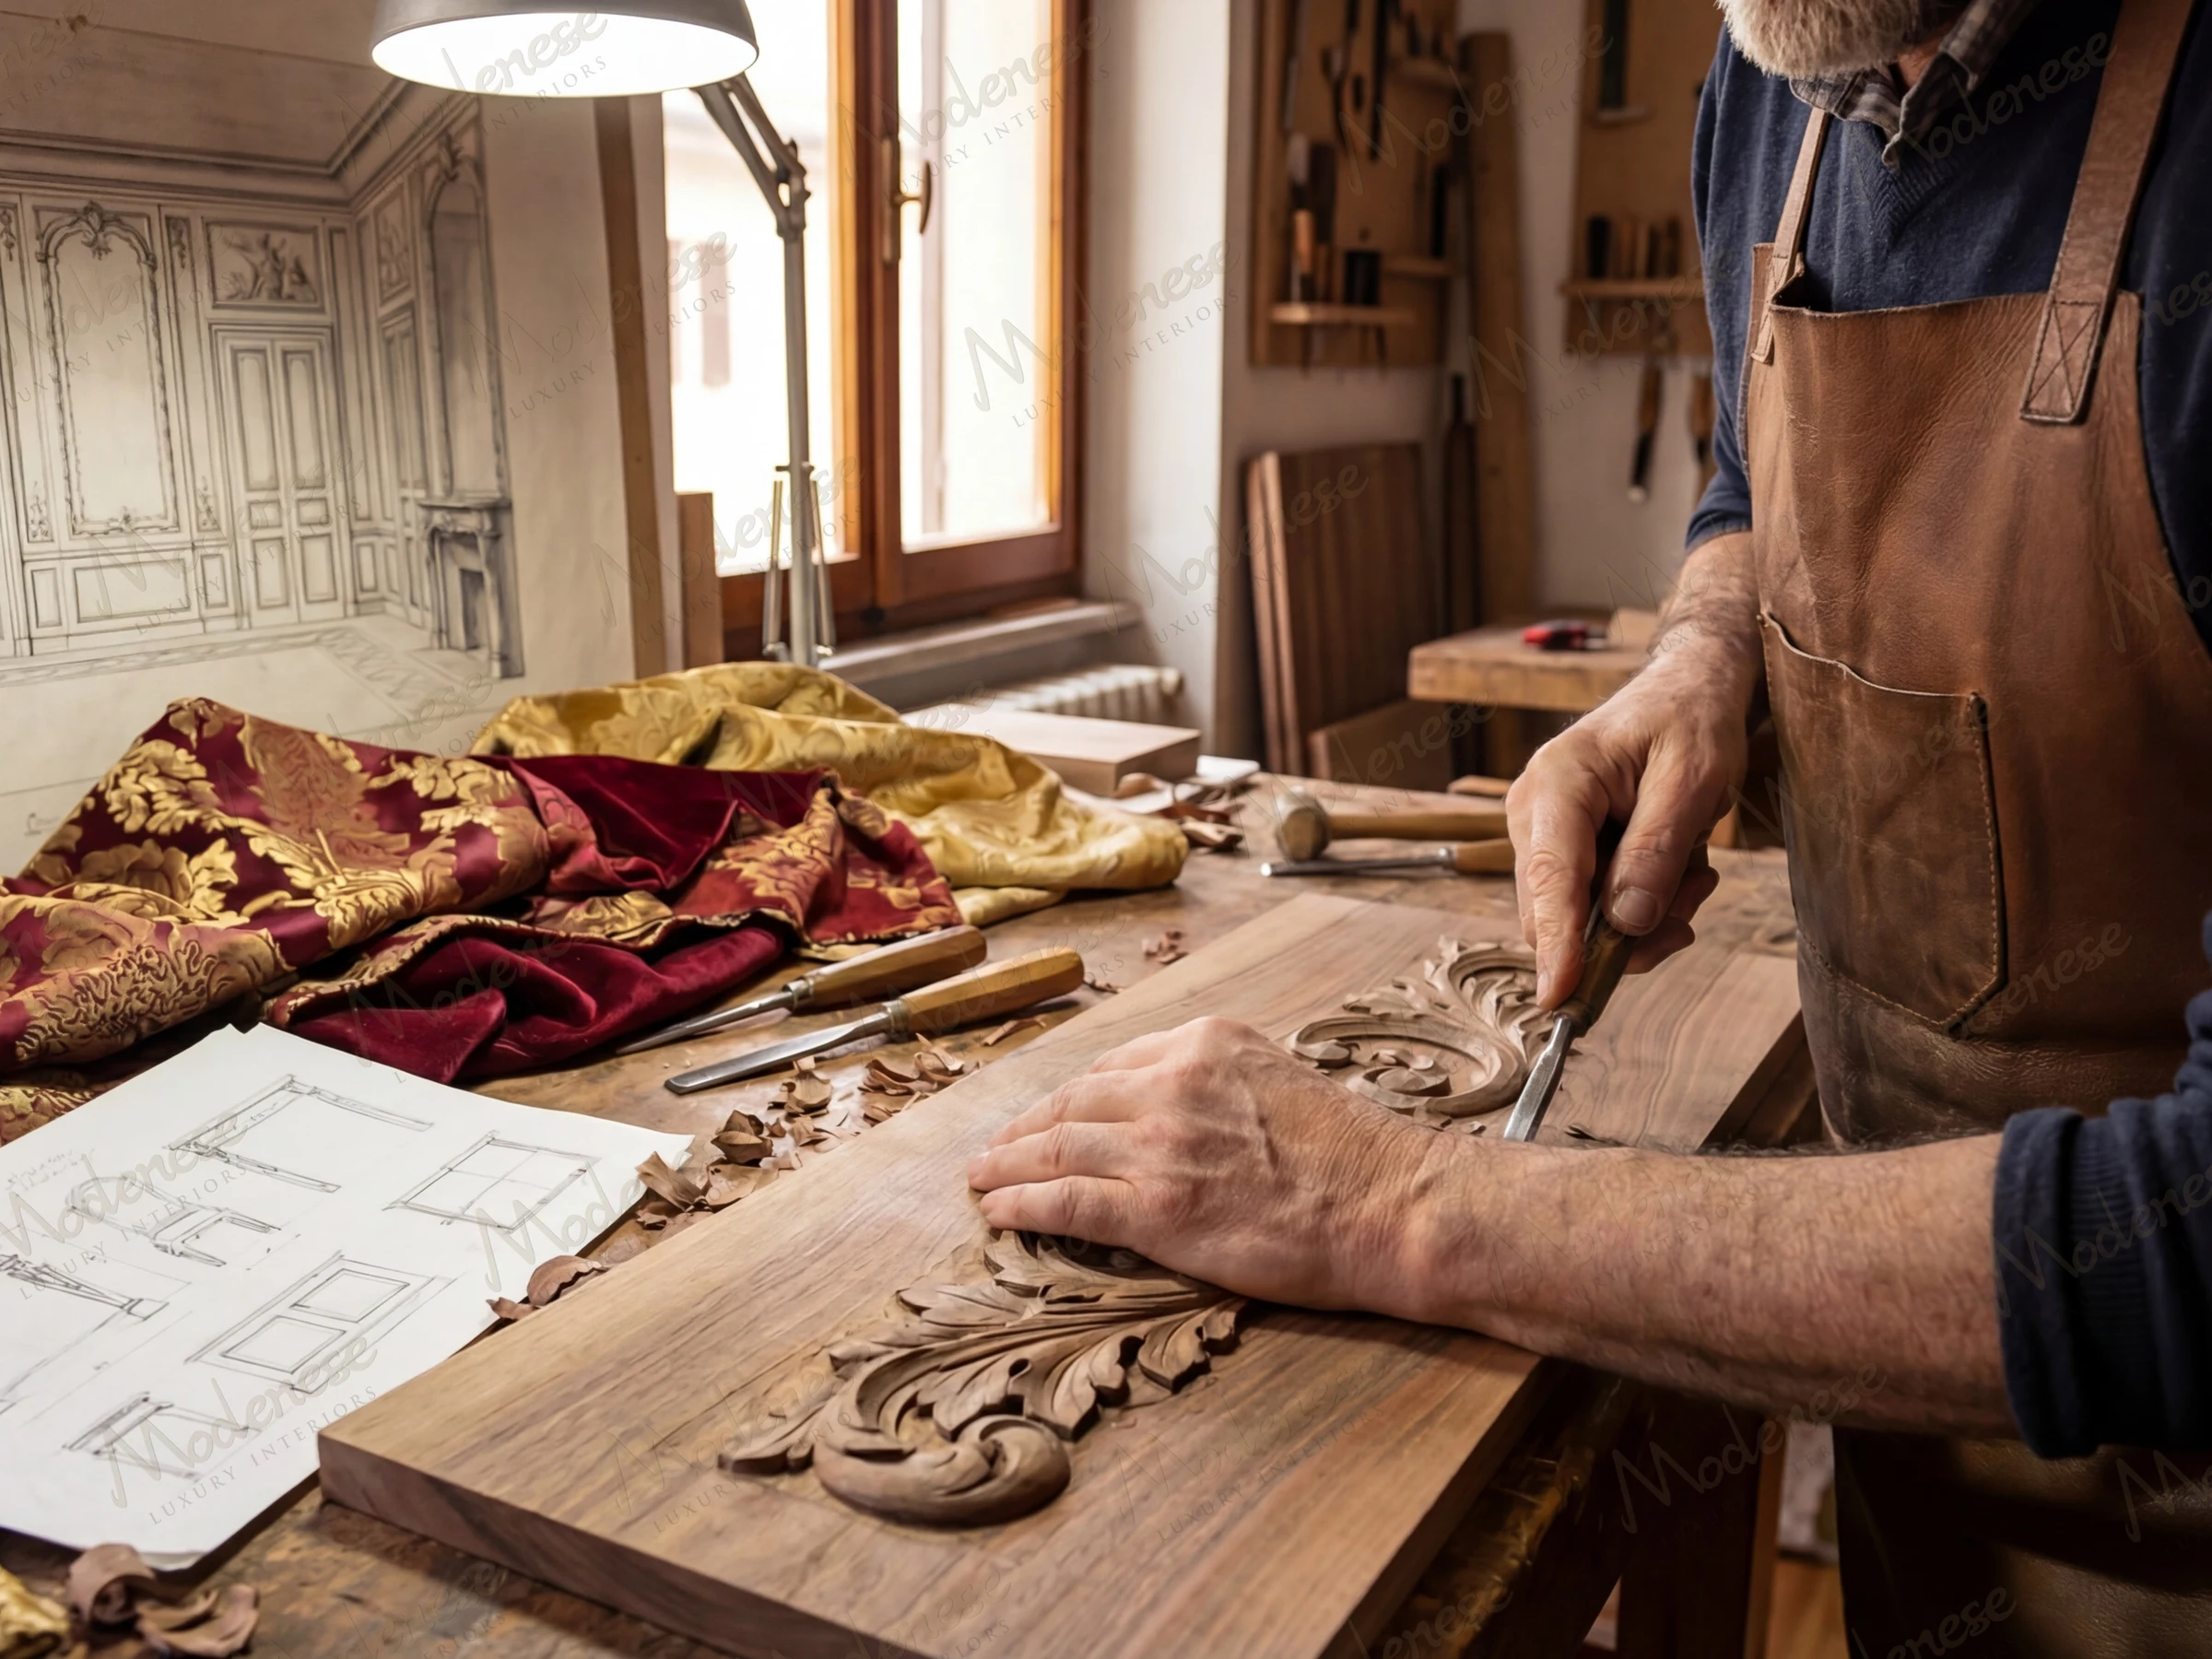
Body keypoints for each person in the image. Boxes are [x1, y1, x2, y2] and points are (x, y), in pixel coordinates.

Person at [970, 0, 2212, 1650]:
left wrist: (1397, 1206)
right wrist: (1702, 660)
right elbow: (1743, 490)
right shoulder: (1769, 89)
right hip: (1911, 1364)